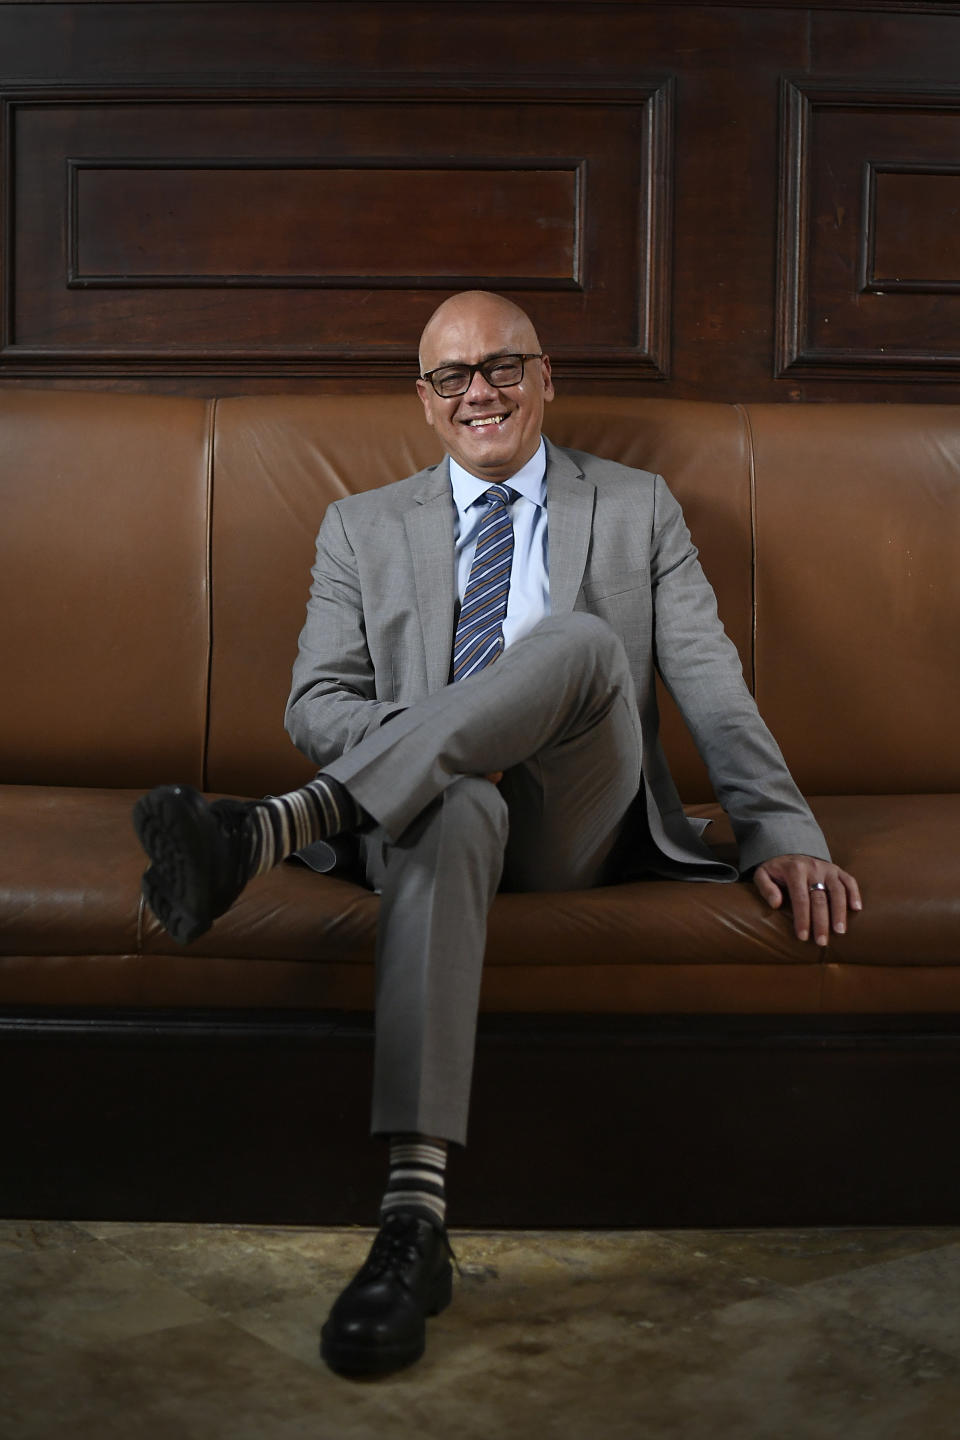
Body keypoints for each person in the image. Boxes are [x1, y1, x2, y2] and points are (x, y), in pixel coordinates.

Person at [133, 290, 862, 1378]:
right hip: (432, 820)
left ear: (548, 376)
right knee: (459, 796)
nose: (481, 390)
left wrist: (780, 828)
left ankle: (281, 827)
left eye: (504, 365)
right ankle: (413, 1223)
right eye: (452, 376)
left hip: (577, 812)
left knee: (575, 643)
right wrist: (445, 743)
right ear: (423, 402)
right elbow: (315, 705)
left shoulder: (634, 505)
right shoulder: (361, 526)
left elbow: (711, 680)